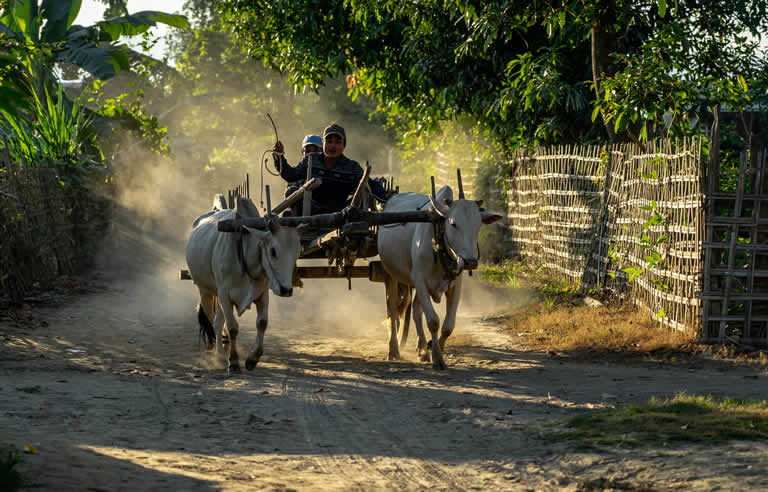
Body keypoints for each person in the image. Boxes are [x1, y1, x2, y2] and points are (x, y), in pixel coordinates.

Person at [272, 124, 388, 215]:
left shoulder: (352, 167)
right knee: (291, 192)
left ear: (344, 145)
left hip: (342, 212)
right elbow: (291, 175)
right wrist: (279, 157)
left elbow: (370, 184)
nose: (332, 146)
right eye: (329, 141)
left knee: (364, 195)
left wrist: (386, 196)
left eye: (338, 142)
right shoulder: (310, 160)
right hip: (311, 211)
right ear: (323, 144)